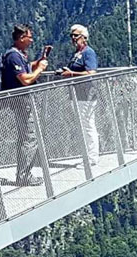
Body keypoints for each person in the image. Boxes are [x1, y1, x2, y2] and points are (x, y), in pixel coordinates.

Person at [0, 24, 51, 185]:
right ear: (21, 38)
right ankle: (24, 175)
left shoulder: (18, 55)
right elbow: (25, 79)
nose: (31, 40)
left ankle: (23, 173)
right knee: (29, 137)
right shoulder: (14, 56)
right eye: (29, 36)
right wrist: (40, 69)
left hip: (21, 101)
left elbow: (25, 70)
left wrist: (38, 62)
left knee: (25, 137)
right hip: (21, 102)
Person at [58, 24, 102, 161]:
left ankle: (92, 158)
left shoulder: (88, 53)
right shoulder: (77, 54)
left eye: (75, 35)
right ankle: (87, 156)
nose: (73, 38)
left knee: (88, 125)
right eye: (71, 35)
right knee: (82, 126)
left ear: (84, 37)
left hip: (86, 95)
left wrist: (71, 74)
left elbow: (91, 73)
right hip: (76, 94)